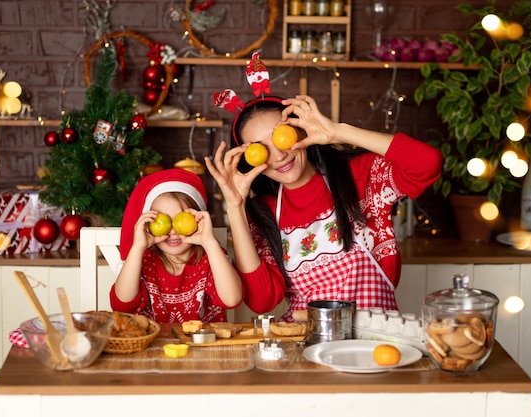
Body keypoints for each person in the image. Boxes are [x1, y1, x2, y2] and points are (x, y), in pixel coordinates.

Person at [205, 94, 442, 321]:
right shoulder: (263, 212)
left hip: (374, 342)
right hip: (307, 344)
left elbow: (428, 164)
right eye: (260, 149)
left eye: (281, 136)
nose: (278, 156)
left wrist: (338, 132)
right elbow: (261, 302)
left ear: (299, 131)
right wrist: (235, 206)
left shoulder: (360, 178)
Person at [110, 168, 243, 323]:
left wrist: (210, 242)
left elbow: (232, 299)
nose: (173, 231)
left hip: (203, 345)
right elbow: (122, 306)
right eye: (162, 220)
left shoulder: (211, 257)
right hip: (153, 344)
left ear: (198, 220)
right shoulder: (143, 259)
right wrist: (138, 247)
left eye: (181, 220)